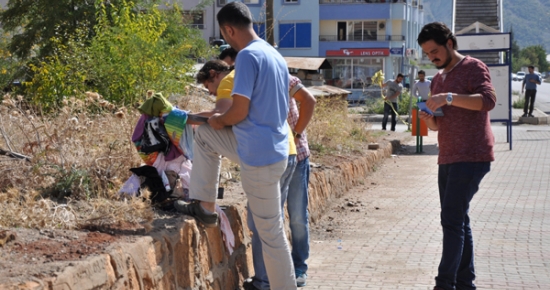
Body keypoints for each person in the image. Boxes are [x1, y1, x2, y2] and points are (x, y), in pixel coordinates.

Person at [173, 2, 297, 289]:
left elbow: (239, 111)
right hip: (273, 149)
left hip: (258, 155)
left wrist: (219, 120)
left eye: (224, 34)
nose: (225, 39)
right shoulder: (273, 54)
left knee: (272, 235)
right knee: (204, 136)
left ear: (229, 29)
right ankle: (205, 204)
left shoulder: (247, 57)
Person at [217, 47, 317, 289]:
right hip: (283, 153)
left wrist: (297, 132)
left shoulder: (280, 76)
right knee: (276, 221)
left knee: (296, 217)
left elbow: (309, 100)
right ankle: (280, 276)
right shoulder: (256, 78)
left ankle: (297, 268)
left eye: (230, 64)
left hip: (296, 153)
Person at [417, 22, 496, 290]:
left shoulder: (473, 67)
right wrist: (429, 120)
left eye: (435, 51)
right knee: (459, 220)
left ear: (450, 44)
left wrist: (448, 97)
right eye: (427, 54)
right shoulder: (438, 79)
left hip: (473, 155)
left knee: (451, 219)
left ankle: (444, 283)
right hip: (447, 156)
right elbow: (439, 125)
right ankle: (464, 282)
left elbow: (488, 101)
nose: (432, 57)